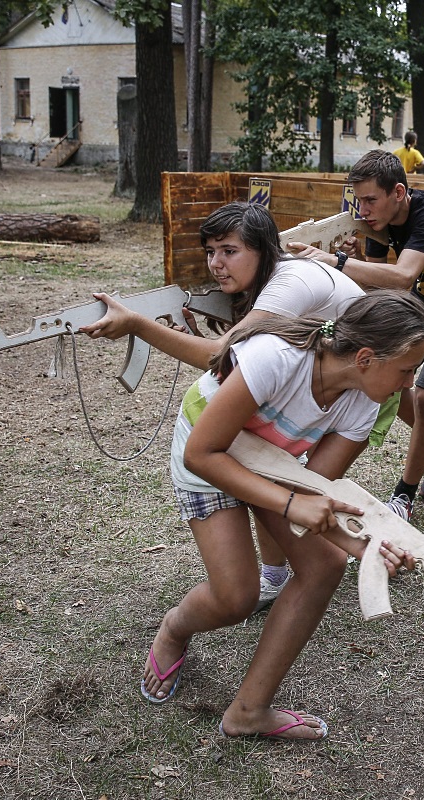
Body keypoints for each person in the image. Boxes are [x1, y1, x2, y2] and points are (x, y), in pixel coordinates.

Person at [142, 291, 424, 740]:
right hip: (210, 454)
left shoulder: (365, 403)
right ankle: (175, 628)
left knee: (325, 564)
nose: (409, 384)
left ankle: (248, 712)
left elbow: (309, 486)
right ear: (367, 357)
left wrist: (363, 544)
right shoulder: (276, 358)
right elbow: (203, 453)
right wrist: (292, 505)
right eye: (407, 370)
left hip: (273, 467)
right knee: (235, 599)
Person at [80, 202, 366, 613]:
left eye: (229, 251)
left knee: (298, 491)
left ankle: (282, 571)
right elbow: (237, 350)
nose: (216, 263)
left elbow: (220, 354)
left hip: (359, 387)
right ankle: (275, 574)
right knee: (283, 487)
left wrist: (140, 325)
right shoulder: (273, 282)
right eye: (210, 251)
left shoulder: (291, 281)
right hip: (324, 384)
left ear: (265, 249)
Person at [287, 150, 424, 521]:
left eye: (370, 200)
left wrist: (336, 262)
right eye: (358, 200)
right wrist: (358, 260)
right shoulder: (379, 221)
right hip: (420, 302)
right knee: (391, 382)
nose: (363, 210)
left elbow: (401, 275)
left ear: (398, 192)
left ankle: (403, 498)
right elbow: (383, 274)